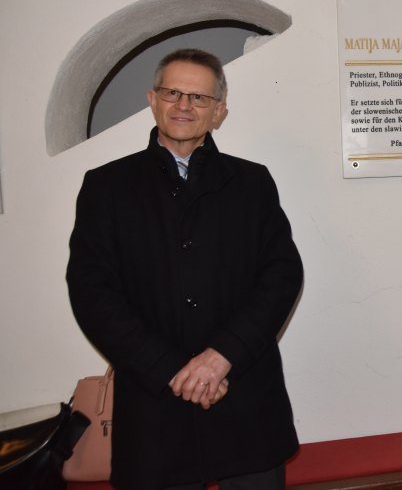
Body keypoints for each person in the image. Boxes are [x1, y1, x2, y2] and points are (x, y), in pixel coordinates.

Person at [67, 49, 303, 489]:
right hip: (155, 407)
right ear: (152, 100)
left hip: (243, 395)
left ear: (219, 112)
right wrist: (172, 369)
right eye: (172, 93)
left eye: (198, 97)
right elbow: (92, 292)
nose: (183, 106)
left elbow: (281, 276)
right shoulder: (106, 186)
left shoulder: (252, 183)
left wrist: (220, 358)